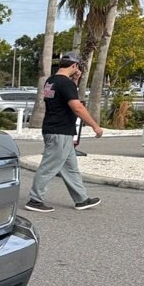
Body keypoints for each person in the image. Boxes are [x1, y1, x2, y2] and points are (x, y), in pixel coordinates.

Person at [25, 52, 104, 212]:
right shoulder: (65, 83)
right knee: (48, 167)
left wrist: (75, 80)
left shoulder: (51, 81)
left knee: (70, 168)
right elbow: (77, 107)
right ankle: (35, 200)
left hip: (55, 129)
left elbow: (62, 98)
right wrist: (95, 125)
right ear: (74, 65)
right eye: (77, 67)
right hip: (59, 132)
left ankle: (81, 199)